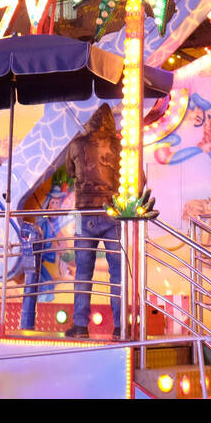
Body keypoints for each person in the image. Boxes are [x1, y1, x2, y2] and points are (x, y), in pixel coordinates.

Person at [43, 104, 139, 339]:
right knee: (117, 275)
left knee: (83, 273)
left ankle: (80, 326)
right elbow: (138, 178)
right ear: (110, 122)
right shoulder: (120, 146)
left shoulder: (78, 144)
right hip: (113, 214)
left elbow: (71, 171)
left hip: (85, 215)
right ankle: (119, 327)